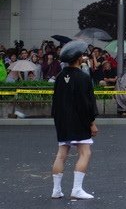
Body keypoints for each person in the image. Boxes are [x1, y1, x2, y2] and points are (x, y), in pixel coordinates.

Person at [50, 40, 98, 200]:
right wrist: (92, 123)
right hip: (79, 120)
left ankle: (56, 190)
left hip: (62, 121)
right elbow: (87, 103)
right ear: (78, 58)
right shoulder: (83, 78)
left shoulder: (59, 76)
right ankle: (77, 189)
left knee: (61, 154)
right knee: (85, 152)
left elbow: (55, 102)